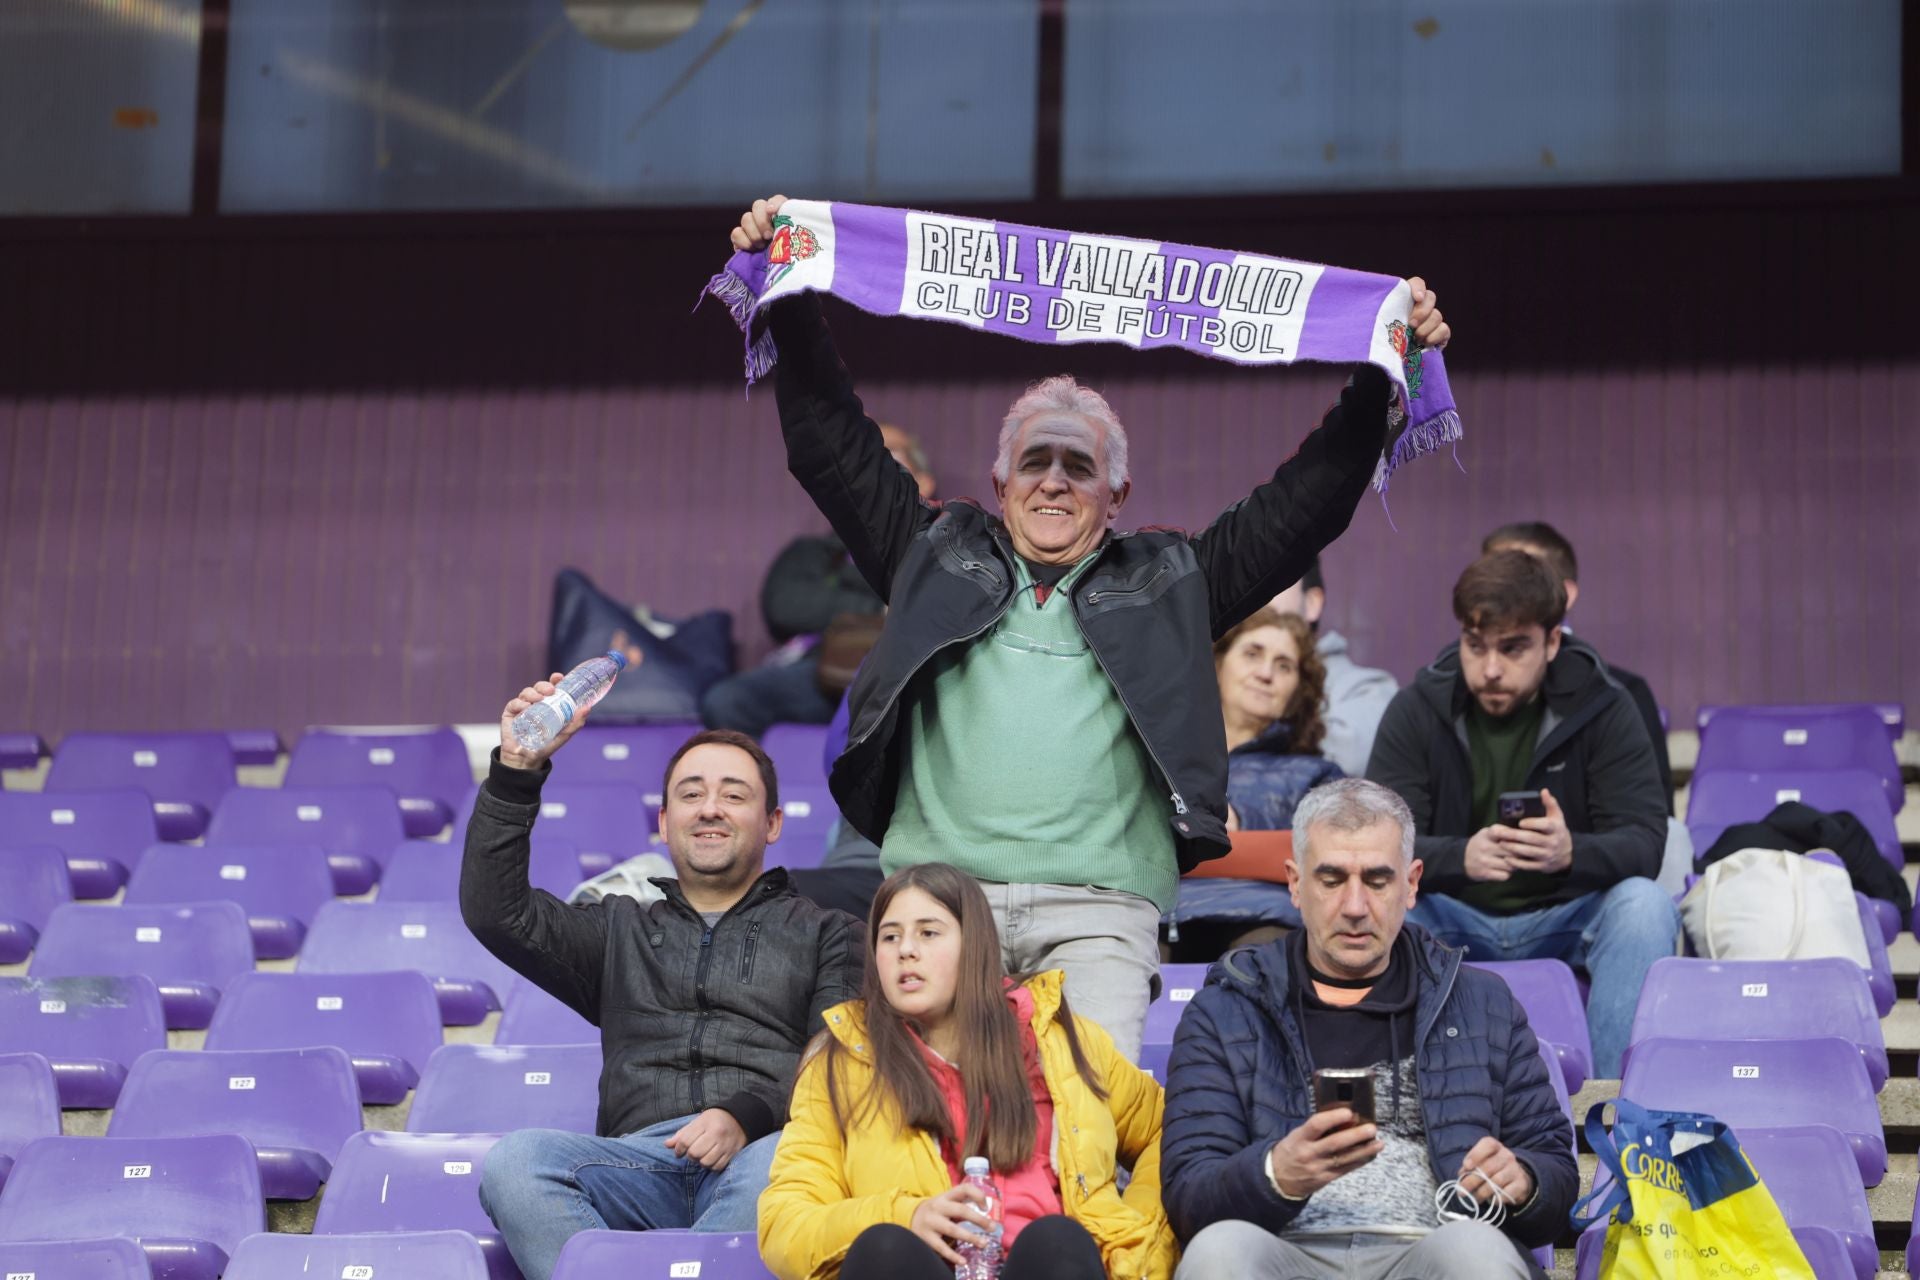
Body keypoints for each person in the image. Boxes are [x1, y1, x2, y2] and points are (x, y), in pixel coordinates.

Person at [730, 193, 1451, 1058]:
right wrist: (794, 289)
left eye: (1080, 466)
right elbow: (829, 442)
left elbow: (1302, 508)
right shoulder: (928, 554)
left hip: (1101, 916)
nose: (1054, 482)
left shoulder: (1173, 582)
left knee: (1085, 1143)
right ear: (998, 488)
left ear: (1118, 499)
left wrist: (1379, 371)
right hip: (943, 907)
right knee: (917, 1148)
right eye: (1034, 461)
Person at [463, 679, 864, 1280]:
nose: (709, 808)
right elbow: (497, 912)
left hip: (762, 1153)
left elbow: (835, 1063)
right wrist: (518, 767)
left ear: (773, 822)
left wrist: (747, 1114)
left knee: (785, 1162)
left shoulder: (831, 931)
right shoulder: (616, 929)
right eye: (691, 794)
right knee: (517, 1163)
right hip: (634, 1165)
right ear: (665, 820)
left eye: (735, 796)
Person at [1160, 779, 1577, 1278]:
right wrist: (1275, 1174)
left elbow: (1554, 1174)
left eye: (1377, 881)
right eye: (1332, 880)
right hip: (1282, 1249)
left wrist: (1526, 1182)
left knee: (1476, 1252)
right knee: (1218, 1252)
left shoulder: (1482, 1004)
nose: (1355, 907)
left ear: (1412, 882)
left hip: (1432, 1247)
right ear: (1295, 883)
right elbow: (1188, 1194)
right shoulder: (1226, 1009)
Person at [759, 862, 1175, 1280]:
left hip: (1046, 1265)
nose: (906, 950)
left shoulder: (1062, 1041)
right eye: (890, 936)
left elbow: (1168, 1131)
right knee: (883, 1247)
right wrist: (906, 1214)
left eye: (928, 932)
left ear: (973, 945)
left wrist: (1133, 1235)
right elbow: (786, 1222)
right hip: (924, 1269)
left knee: (1056, 1241)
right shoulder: (839, 1062)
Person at [1365, 550, 1675, 1076]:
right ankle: (1392, 1098)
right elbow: (1378, 843)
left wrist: (1571, 852)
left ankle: (1610, 1109)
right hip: (1450, 916)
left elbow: (1646, 842)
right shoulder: (1416, 708)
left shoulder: (1605, 706)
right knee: (1379, 904)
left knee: (1643, 905)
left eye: (1513, 649)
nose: (1490, 668)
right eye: (1475, 645)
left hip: (1568, 913)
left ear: (1553, 641)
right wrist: (1462, 857)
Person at [702, 425, 937, 738]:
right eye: (862, 462)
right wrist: (877, 606)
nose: (872, 471)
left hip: (915, 678)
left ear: (924, 482)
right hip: (827, 675)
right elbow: (785, 606)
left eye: (888, 459)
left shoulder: (946, 548)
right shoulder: (817, 552)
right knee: (728, 700)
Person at [1167, 608, 1342, 956]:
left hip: (1266, 915)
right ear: (1216, 664)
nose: (1265, 674)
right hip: (1161, 909)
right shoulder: (1161, 757)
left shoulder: (1317, 774)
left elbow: (1333, 860)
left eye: (1284, 666)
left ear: (1298, 691)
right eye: (1252, 654)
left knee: (1263, 966)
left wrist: (1241, 827)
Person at [1480, 521, 1673, 811]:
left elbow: (1651, 827)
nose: (1498, 596)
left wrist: (1572, 848)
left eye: (1521, 580)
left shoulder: (1621, 694)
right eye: (1487, 581)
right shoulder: (1443, 695)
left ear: (1566, 595)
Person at [1268, 556, 1400, 778]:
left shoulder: (1367, 689)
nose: (1250, 593)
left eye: (1270, 581)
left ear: (1311, 603)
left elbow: (1350, 758)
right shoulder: (1214, 678)